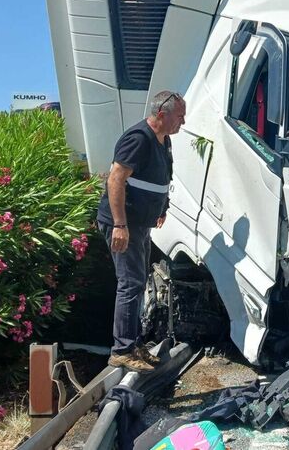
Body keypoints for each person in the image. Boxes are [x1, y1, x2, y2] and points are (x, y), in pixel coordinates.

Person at [97, 91, 186, 372]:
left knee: (137, 281)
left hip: (141, 223)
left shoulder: (164, 141)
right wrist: (120, 225)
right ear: (162, 114)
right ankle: (121, 349)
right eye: (180, 116)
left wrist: (162, 208)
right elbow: (116, 179)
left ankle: (133, 344)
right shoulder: (138, 139)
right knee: (130, 282)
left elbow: (162, 177)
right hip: (124, 223)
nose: (183, 122)